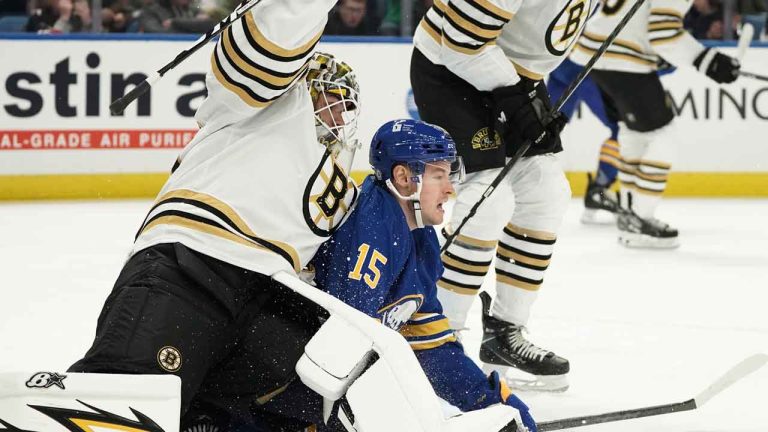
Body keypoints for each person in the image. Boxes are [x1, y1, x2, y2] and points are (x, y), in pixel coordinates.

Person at [68, 0, 361, 422]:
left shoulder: (336, 180)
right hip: (192, 269)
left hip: (265, 303)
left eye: (347, 106)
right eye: (334, 98)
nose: (341, 114)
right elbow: (274, 43)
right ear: (305, 83)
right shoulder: (252, 106)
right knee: (121, 408)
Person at [181, 119, 538, 432]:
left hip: (293, 389)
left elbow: (430, 347)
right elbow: (341, 349)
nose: (450, 189)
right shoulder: (373, 229)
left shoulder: (419, 236)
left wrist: (491, 399)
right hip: (257, 394)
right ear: (403, 177)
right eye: (439, 175)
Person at [409, 0, 597, 391]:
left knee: (546, 191)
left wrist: (520, 93)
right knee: (488, 200)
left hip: (511, 74)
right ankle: (436, 343)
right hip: (452, 70)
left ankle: (504, 334)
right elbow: (460, 43)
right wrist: (515, 96)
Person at [570, 0, 740, 248]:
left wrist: (657, 54)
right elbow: (663, 32)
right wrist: (708, 60)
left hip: (595, 52)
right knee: (662, 135)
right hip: (620, 56)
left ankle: (630, 216)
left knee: (635, 134)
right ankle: (640, 220)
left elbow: (645, 22)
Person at [547, 58, 622, 224]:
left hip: (559, 65)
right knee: (623, 130)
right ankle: (599, 191)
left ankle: (512, 192)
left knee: (542, 133)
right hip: (585, 70)